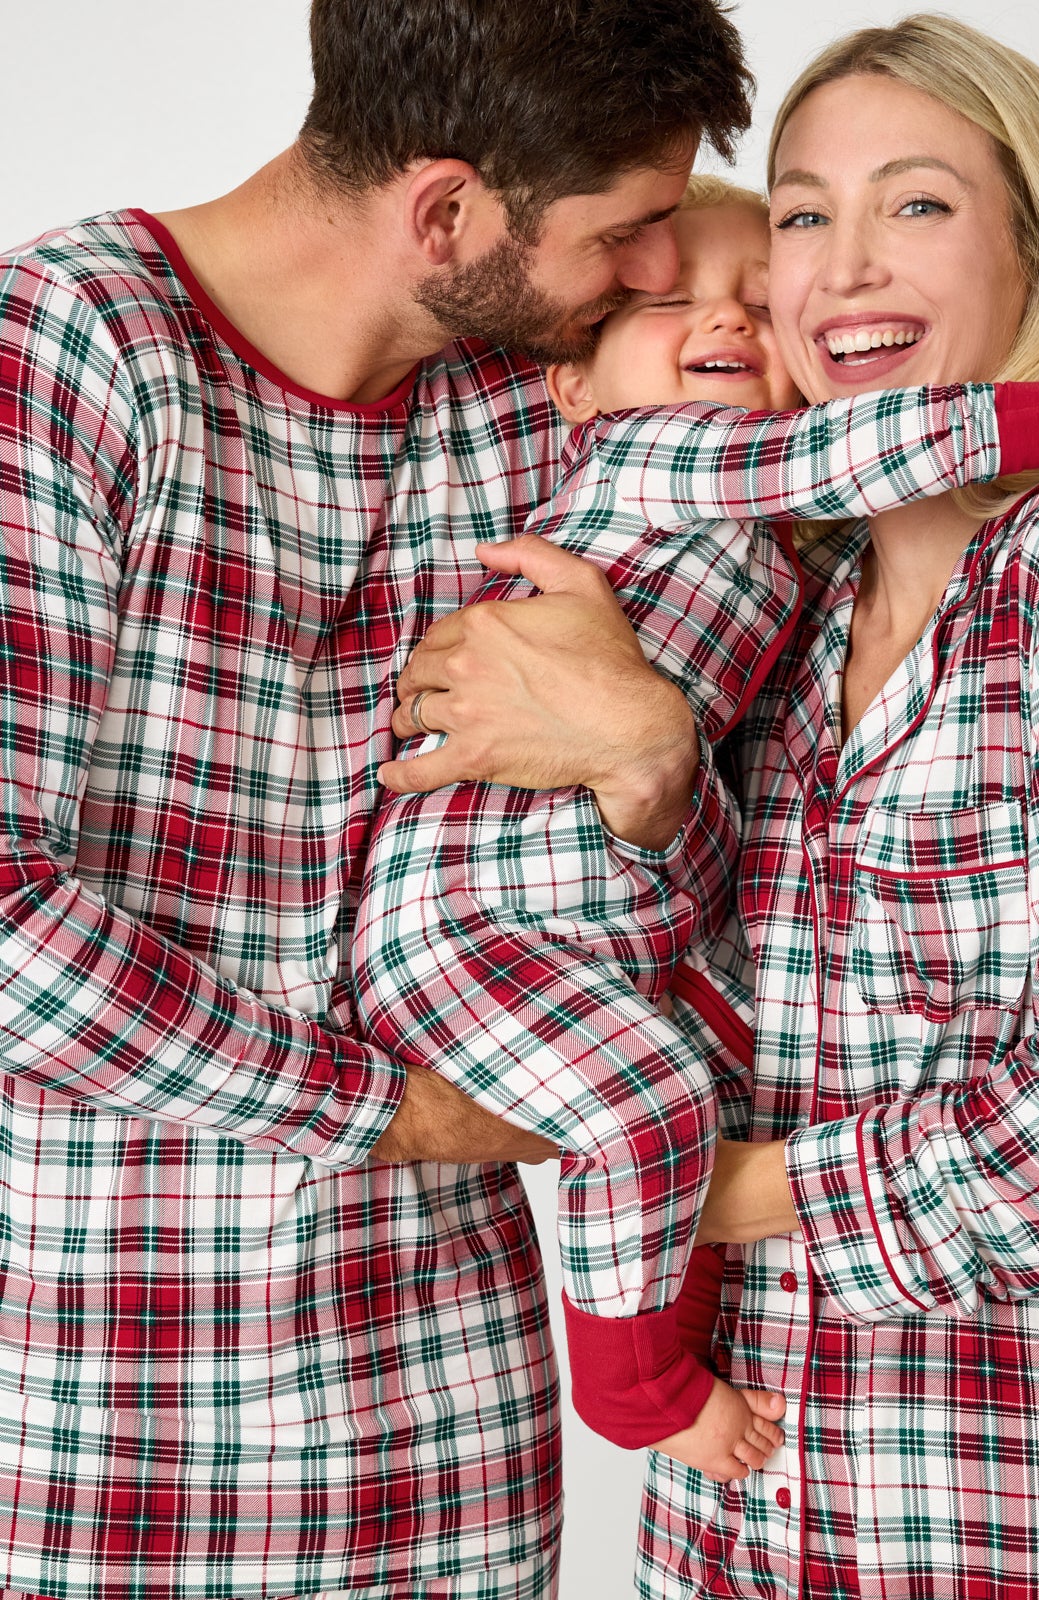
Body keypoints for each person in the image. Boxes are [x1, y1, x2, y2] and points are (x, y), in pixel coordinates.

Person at [382, 13, 1039, 1599]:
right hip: (733, 1520)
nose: (843, 266)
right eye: (803, 212)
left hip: (995, 1521)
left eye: (915, 204)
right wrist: (647, 755)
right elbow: (701, 964)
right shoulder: (788, 617)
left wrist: (721, 1193)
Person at [0, 4, 765, 1597]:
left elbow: (717, 889)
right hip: (94, 1418)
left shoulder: (544, 404)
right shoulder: (67, 354)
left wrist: (648, 757)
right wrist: (392, 1109)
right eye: (625, 234)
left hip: (451, 1437)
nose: (657, 277)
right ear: (446, 212)